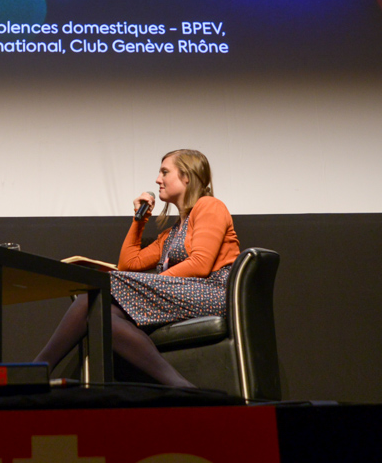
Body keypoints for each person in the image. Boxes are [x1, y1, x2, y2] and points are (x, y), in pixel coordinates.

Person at [34, 148, 239, 387]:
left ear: (186, 176)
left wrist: (153, 283)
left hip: (211, 292)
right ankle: (179, 385)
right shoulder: (171, 234)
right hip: (182, 293)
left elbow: (200, 264)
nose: (157, 179)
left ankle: (39, 367)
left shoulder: (209, 206)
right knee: (97, 310)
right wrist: (139, 220)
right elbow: (128, 264)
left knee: (104, 284)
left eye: (164, 172)